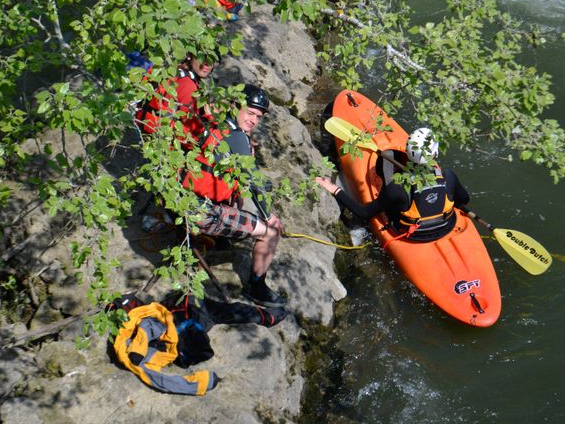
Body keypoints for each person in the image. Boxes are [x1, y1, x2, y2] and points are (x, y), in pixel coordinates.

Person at [181, 84, 285, 307]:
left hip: (177, 201)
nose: (254, 121)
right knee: (271, 232)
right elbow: (255, 184)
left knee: (235, 191)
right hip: (200, 213)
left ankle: (221, 239)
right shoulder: (237, 138)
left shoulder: (213, 121)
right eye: (250, 113)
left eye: (258, 117)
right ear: (235, 106)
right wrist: (269, 217)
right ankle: (257, 289)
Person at [315, 127, 470, 242]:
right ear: (435, 154)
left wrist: (334, 189)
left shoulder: (397, 186)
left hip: (413, 234)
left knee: (393, 199)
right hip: (446, 226)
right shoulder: (448, 176)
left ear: (407, 151)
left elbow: (363, 213)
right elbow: (464, 200)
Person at [133, 52, 218, 148]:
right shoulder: (188, 85)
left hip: (147, 129)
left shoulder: (174, 70)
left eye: (212, 59)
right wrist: (211, 117)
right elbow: (193, 128)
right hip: (165, 142)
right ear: (189, 56)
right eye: (203, 57)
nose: (207, 63)